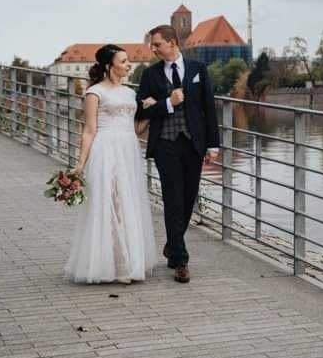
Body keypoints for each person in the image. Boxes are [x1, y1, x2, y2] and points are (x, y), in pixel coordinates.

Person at [64, 45, 158, 283]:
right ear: (109, 65)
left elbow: (136, 129)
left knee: (127, 203)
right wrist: (80, 163)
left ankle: (126, 261)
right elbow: (89, 130)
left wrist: (151, 111)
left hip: (128, 150)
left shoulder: (130, 93)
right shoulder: (94, 93)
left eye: (128, 60)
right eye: (123, 61)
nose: (129, 65)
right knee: (109, 203)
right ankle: (110, 264)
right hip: (105, 150)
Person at [135, 25, 219, 284]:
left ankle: (172, 245)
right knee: (172, 199)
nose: (153, 49)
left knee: (188, 197)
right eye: (152, 44)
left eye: (157, 44)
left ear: (172, 43)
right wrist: (166, 103)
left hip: (193, 142)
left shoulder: (198, 69)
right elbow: (141, 109)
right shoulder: (150, 74)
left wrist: (213, 145)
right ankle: (181, 262)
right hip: (165, 144)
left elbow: (209, 107)